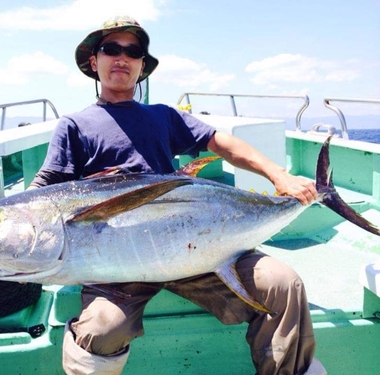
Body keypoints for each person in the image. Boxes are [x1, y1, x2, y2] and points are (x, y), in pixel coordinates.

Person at [29, 16, 327, 375]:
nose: (122, 58)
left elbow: (222, 143)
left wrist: (279, 175)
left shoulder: (163, 116)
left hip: (194, 249)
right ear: (95, 62)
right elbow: (43, 192)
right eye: (111, 49)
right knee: (100, 330)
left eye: (133, 51)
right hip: (116, 264)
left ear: (142, 66)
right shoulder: (74, 126)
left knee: (283, 284)